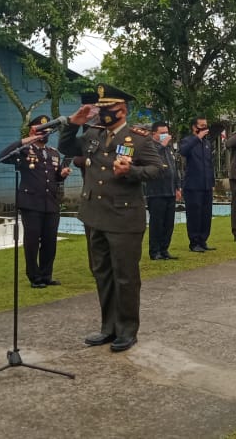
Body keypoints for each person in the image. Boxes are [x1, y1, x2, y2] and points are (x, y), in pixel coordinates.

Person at [58, 83, 164, 352]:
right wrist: (72, 123)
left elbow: (157, 170)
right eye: (101, 108)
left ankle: (127, 330)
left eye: (109, 109)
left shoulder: (138, 139)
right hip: (95, 215)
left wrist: (131, 171)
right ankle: (108, 327)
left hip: (124, 218)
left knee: (125, 276)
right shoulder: (93, 133)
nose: (103, 113)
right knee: (102, 273)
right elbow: (67, 148)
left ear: (122, 110)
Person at [0, 115, 70, 288]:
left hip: (51, 203)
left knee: (49, 241)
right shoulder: (24, 150)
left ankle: (46, 275)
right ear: (33, 130)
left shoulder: (53, 153)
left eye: (47, 131)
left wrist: (62, 175)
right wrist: (27, 139)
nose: (44, 134)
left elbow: (54, 179)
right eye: (40, 131)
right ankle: (35, 277)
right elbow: (3, 156)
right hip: (31, 203)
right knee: (32, 242)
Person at [145, 121, 182, 258]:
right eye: (162, 133)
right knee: (157, 223)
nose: (165, 136)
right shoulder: (151, 148)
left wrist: (178, 187)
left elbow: (174, 168)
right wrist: (162, 145)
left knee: (168, 224)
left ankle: (164, 249)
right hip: (157, 191)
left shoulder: (168, 148)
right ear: (153, 134)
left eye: (166, 132)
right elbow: (152, 161)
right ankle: (155, 251)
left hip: (170, 190)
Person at [179, 116, 215, 252]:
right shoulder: (188, 140)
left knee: (206, 214)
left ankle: (203, 240)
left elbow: (209, 164)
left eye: (206, 125)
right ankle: (194, 242)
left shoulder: (207, 143)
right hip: (193, 185)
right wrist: (197, 137)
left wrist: (212, 182)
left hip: (206, 185)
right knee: (194, 214)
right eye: (202, 125)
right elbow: (183, 151)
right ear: (195, 127)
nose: (205, 127)